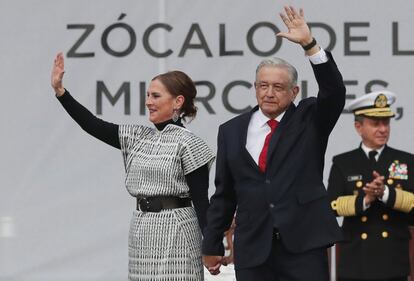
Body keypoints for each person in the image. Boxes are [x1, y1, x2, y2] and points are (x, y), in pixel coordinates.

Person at [202, 6, 345, 281]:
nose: (269, 93)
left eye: (278, 87)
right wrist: (211, 244)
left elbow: (334, 91)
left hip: (303, 246)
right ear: (255, 88)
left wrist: (310, 45)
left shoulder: (310, 118)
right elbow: (224, 194)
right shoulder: (231, 131)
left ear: (294, 92)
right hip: (253, 248)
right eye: (262, 85)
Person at [50, 53, 215, 281]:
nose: (148, 101)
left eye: (156, 96)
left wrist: (211, 245)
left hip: (177, 229)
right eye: (148, 95)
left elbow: (201, 199)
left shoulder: (190, 143)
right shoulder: (136, 136)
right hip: (142, 229)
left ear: (178, 101)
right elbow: (91, 124)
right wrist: (61, 92)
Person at [327, 90, 414, 281]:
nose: (383, 129)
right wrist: (365, 199)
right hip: (356, 260)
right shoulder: (344, 162)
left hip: (392, 260)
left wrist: (386, 194)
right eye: (376, 124)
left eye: (386, 123)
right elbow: (330, 206)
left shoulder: (406, 161)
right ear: (359, 127)